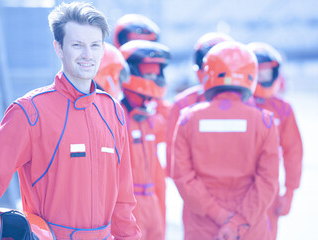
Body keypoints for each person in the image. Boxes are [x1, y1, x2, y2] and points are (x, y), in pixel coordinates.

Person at [0, 2, 141, 240]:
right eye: (77, 45)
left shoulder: (113, 113)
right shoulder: (30, 112)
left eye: (95, 45)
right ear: (59, 48)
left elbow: (123, 201)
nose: (87, 55)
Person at [172, 41, 280, 240]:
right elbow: (268, 181)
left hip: (202, 224)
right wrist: (237, 221)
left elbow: (182, 177)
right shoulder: (264, 122)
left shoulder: (188, 119)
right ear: (250, 76)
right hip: (249, 226)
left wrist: (219, 214)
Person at [114, 13, 169, 231]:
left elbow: (167, 130)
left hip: (152, 186)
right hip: (129, 196)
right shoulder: (114, 104)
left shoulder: (153, 109)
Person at [247, 42, 303, 240]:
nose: (262, 79)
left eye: (266, 74)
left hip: (270, 187)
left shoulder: (283, 108)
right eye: (258, 74)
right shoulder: (236, 104)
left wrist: (289, 192)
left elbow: (293, 151)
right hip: (236, 186)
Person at [166, 32, 233, 178]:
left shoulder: (247, 103)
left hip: (240, 192)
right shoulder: (183, 104)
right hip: (195, 192)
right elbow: (174, 161)